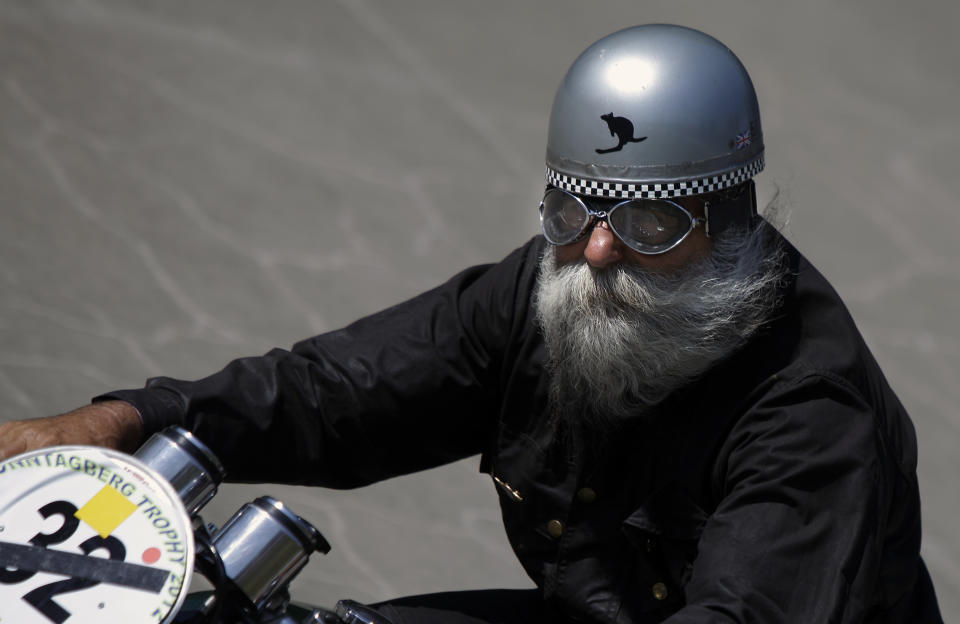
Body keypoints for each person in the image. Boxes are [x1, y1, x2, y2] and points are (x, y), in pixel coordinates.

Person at [0, 24, 943, 624]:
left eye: (652, 223)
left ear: (730, 221)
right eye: (576, 212)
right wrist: (125, 423)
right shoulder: (554, 287)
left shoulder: (814, 414)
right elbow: (340, 391)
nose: (602, 254)